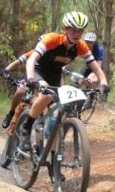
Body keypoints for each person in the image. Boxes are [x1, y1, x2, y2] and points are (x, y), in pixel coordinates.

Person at [20, 11, 109, 147]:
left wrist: (103, 83)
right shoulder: (52, 39)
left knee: (58, 115)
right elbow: (31, 58)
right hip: (38, 70)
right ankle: (27, 127)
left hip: (55, 74)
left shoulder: (81, 46)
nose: (77, 34)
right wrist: (31, 78)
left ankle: (53, 161)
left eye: (80, 31)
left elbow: (96, 68)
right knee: (46, 95)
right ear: (65, 29)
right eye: (73, 31)